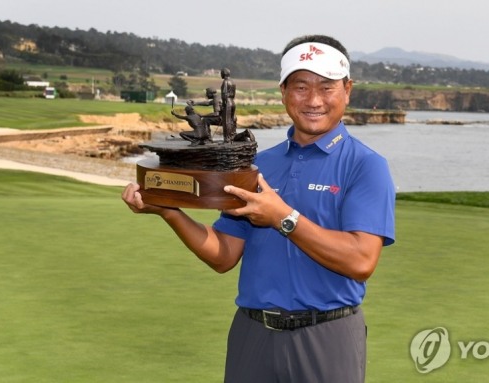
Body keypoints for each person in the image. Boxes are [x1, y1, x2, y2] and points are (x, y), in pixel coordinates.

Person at [122, 34, 396, 382]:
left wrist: (283, 217)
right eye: (300, 87)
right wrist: (169, 212)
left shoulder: (366, 165)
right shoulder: (255, 165)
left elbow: (361, 261)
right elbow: (223, 255)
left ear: (347, 89)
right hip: (253, 333)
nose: (313, 100)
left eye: (327, 87)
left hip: (327, 335)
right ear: (283, 91)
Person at [220, 67, 237, 143]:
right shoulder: (233, 82)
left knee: (227, 121)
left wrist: (223, 104)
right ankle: (232, 136)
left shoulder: (225, 82)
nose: (220, 74)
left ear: (224, 73)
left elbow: (224, 94)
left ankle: (227, 139)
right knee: (232, 120)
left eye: (221, 73)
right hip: (232, 101)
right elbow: (234, 94)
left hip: (227, 102)